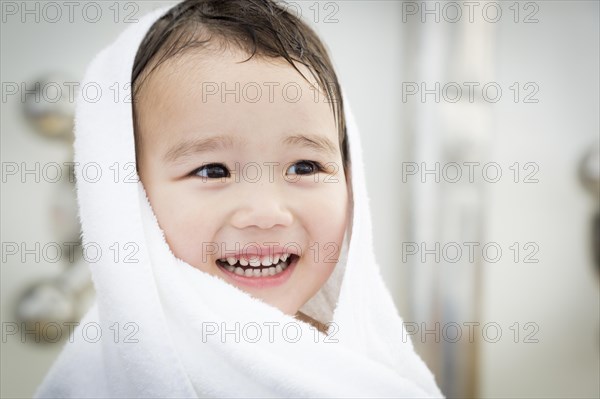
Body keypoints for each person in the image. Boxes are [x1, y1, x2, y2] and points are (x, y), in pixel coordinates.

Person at [36, 1, 443, 397]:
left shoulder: (366, 365)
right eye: (214, 171)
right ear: (130, 196)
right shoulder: (101, 372)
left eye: (304, 167)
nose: (266, 213)